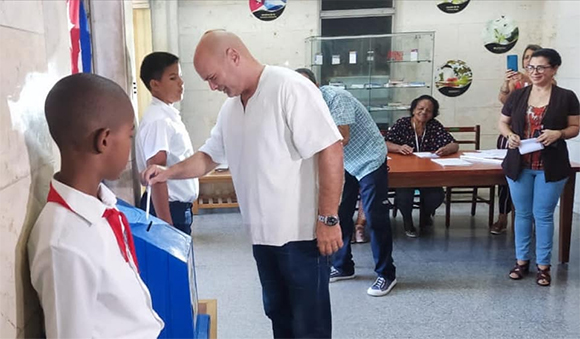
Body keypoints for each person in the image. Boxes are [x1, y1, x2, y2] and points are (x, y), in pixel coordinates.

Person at [142, 30, 344, 338]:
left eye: (212, 77)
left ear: (233, 56)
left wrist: (328, 218)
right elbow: (208, 157)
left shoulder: (289, 87)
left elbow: (330, 148)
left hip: (301, 237)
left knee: (309, 324)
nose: (212, 87)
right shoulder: (231, 108)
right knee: (279, 314)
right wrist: (167, 172)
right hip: (262, 237)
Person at [28, 73, 164, 338]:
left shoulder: (98, 207)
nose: (130, 145)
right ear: (103, 140)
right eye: (130, 135)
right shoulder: (63, 244)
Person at [296, 68, 397, 297]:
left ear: (315, 85)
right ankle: (343, 266)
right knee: (339, 213)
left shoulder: (335, 97)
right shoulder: (302, 108)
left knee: (374, 215)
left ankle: (386, 274)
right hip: (344, 162)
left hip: (369, 157)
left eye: (304, 86)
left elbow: (343, 136)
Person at [499, 48, 579, 287]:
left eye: (541, 67)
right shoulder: (518, 95)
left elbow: (575, 126)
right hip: (519, 164)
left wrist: (559, 134)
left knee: (543, 215)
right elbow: (503, 122)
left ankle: (543, 266)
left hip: (550, 166)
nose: (534, 72)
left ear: (554, 69)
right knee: (522, 214)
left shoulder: (566, 96)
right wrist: (510, 135)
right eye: (531, 67)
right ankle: (521, 261)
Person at [135, 52, 199, 235]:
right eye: (173, 78)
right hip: (168, 210)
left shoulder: (166, 115)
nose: (181, 83)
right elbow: (157, 175)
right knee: (172, 262)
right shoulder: (159, 121)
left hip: (176, 208)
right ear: (155, 84)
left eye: (180, 76)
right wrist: (166, 225)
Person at [386, 95, 458, 237]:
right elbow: (385, 143)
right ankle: (407, 221)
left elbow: (454, 144)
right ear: (413, 110)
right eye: (420, 108)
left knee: (436, 195)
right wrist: (398, 148)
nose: (424, 112)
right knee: (404, 194)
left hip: (428, 172)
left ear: (433, 114)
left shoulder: (434, 126)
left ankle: (425, 215)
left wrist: (447, 149)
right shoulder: (402, 124)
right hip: (405, 171)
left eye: (429, 110)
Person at [492, 44, 543, 235]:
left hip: (535, 139)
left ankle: (533, 219)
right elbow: (506, 103)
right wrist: (506, 84)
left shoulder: (547, 83)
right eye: (526, 57)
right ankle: (503, 216)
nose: (528, 61)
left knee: (534, 178)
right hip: (512, 134)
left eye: (533, 57)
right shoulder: (517, 81)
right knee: (507, 175)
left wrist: (529, 79)